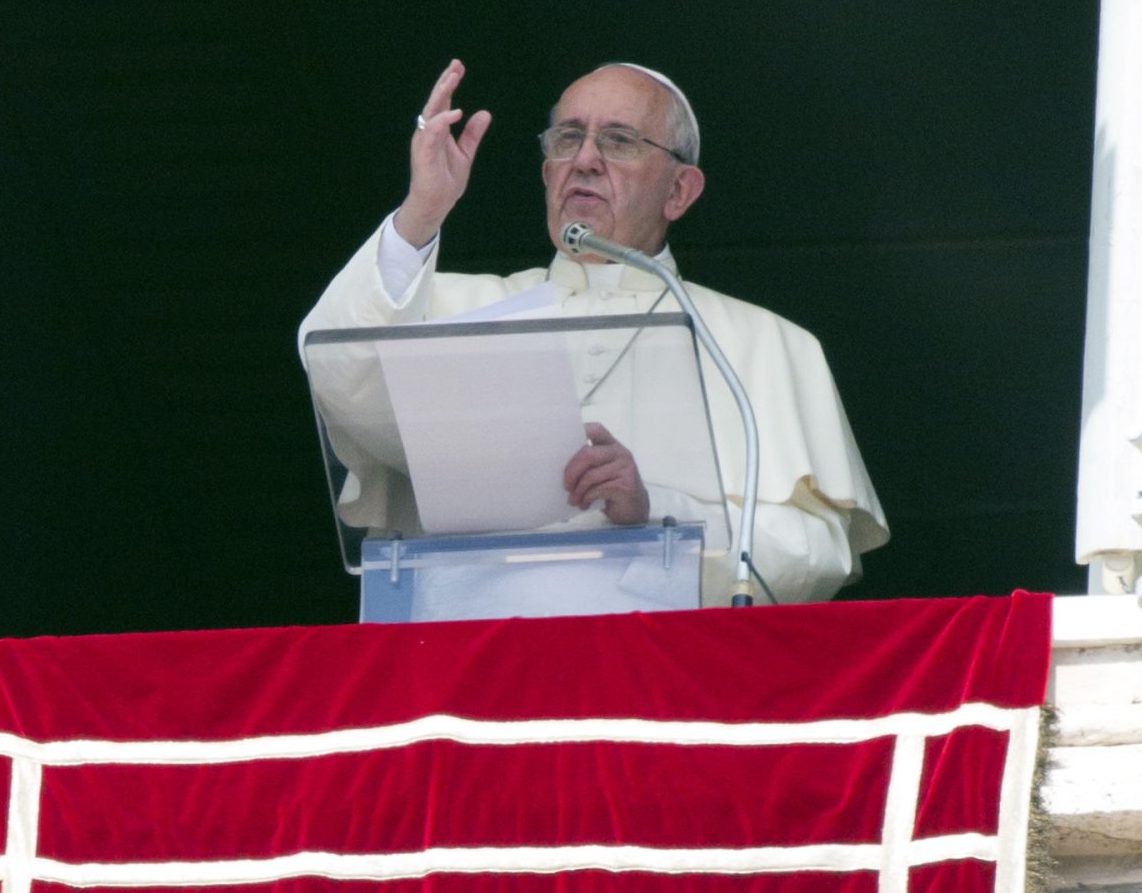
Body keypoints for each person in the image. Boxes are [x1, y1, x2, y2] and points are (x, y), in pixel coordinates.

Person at [300, 59, 888, 615]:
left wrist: (655, 513)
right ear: (546, 171)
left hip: (656, 677)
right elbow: (337, 370)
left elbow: (820, 553)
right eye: (567, 138)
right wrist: (422, 212)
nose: (584, 159)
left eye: (619, 141)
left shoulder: (764, 344)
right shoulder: (451, 307)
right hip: (465, 669)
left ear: (680, 190)